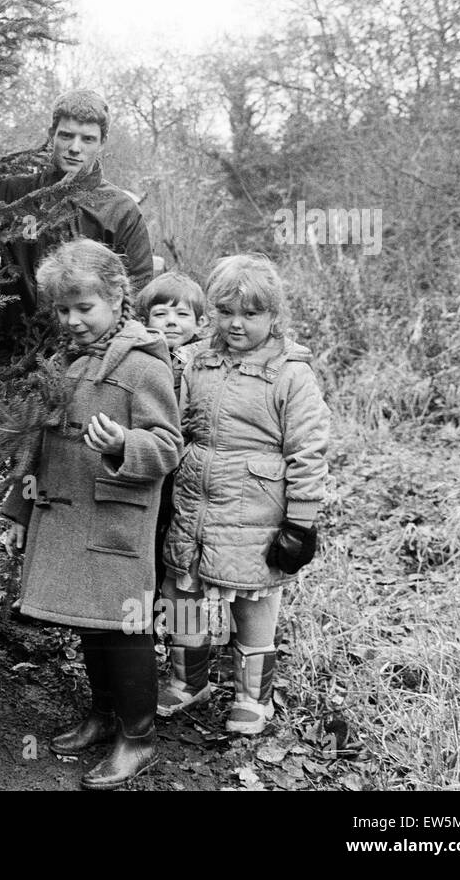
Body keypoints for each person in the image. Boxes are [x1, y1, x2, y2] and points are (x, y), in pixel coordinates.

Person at [0, 238, 181, 789]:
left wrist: (125, 442)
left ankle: (139, 737)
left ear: (118, 299)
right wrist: (18, 507)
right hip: (66, 515)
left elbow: (168, 446)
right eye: (62, 309)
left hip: (115, 518)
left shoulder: (142, 364)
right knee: (89, 620)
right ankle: (103, 716)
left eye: (85, 308)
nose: (73, 320)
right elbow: (38, 441)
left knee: (124, 628)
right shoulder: (67, 362)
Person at [157, 254, 330, 735]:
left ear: (274, 316)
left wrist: (300, 523)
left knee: (251, 603)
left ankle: (255, 697)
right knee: (181, 591)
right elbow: (176, 425)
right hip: (193, 505)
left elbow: (309, 451)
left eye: (251, 314)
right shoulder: (198, 362)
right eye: (226, 310)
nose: (236, 323)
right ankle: (187, 681)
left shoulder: (291, 375)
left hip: (255, 512)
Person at [0, 88, 155, 324]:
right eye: (66, 135)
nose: (75, 148)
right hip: (18, 349)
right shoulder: (13, 194)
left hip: (89, 351)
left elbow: (138, 287)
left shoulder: (120, 210)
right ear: (51, 135)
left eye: (87, 139)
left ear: (102, 143)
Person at [134, 271, 208, 591]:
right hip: (151, 459)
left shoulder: (203, 360)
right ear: (146, 319)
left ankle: (176, 626)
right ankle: (145, 617)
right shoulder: (142, 354)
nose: (171, 322)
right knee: (148, 533)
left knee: (177, 540)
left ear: (200, 323)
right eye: (161, 313)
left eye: (182, 314)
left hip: (185, 467)